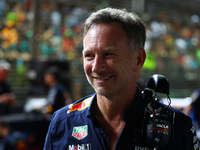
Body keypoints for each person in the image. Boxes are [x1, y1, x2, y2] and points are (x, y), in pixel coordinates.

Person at [43, 8, 198, 150]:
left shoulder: (178, 127)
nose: (96, 67)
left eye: (109, 54)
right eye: (89, 55)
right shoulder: (62, 123)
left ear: (138, 59)